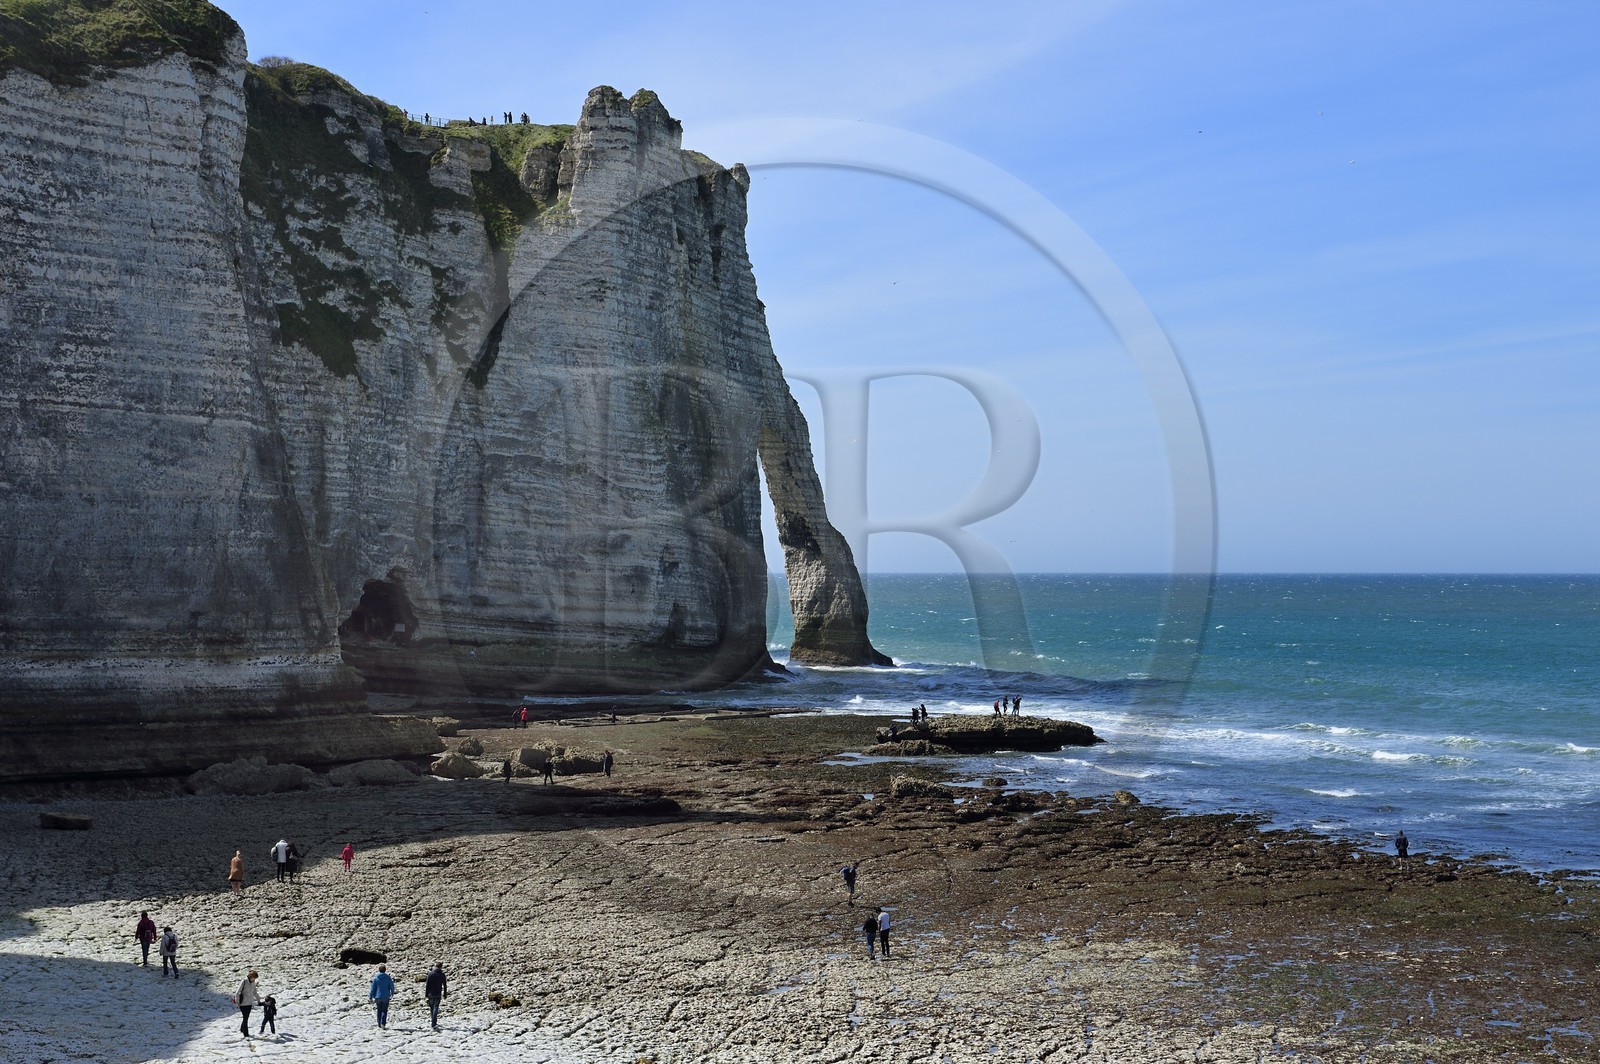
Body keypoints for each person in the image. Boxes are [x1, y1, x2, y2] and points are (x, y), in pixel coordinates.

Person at [234, 970, 261, 1036]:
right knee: (245, 1018)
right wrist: (237, 1002)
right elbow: (237, 992)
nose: (254, 979)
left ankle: (242, 1029)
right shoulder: (244, 981)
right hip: (242, 1003)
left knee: (246, 1017)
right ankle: (246, 1034)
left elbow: (254, 992)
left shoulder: (253, 983)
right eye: (253, 977)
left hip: (249, 1003)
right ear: (250, 976)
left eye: (255, 978)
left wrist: (258, 1000)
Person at [370, 964, 396, 1028]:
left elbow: (373, 988)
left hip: (378, 996)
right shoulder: (388, 977)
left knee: (379, 1010)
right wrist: (392, 993)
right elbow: (392, 986)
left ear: (379, 970)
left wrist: (370, 996)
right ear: (385, 970)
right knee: (384, 1010)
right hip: (386, 996)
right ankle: (383, 1024)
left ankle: (379, 1023)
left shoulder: (376, 978)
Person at [425, 962, 448, 1029]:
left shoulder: (430, 974)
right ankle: (434, 1023)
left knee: (432, 1007)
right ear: (441, 967)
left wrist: (426, 994)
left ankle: (433, 1021)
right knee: (436, 1007)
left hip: (430, 993)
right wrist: (445, 994)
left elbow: (427, 985)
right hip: (438, 993)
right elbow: (445, 985)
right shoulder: (442, 974)